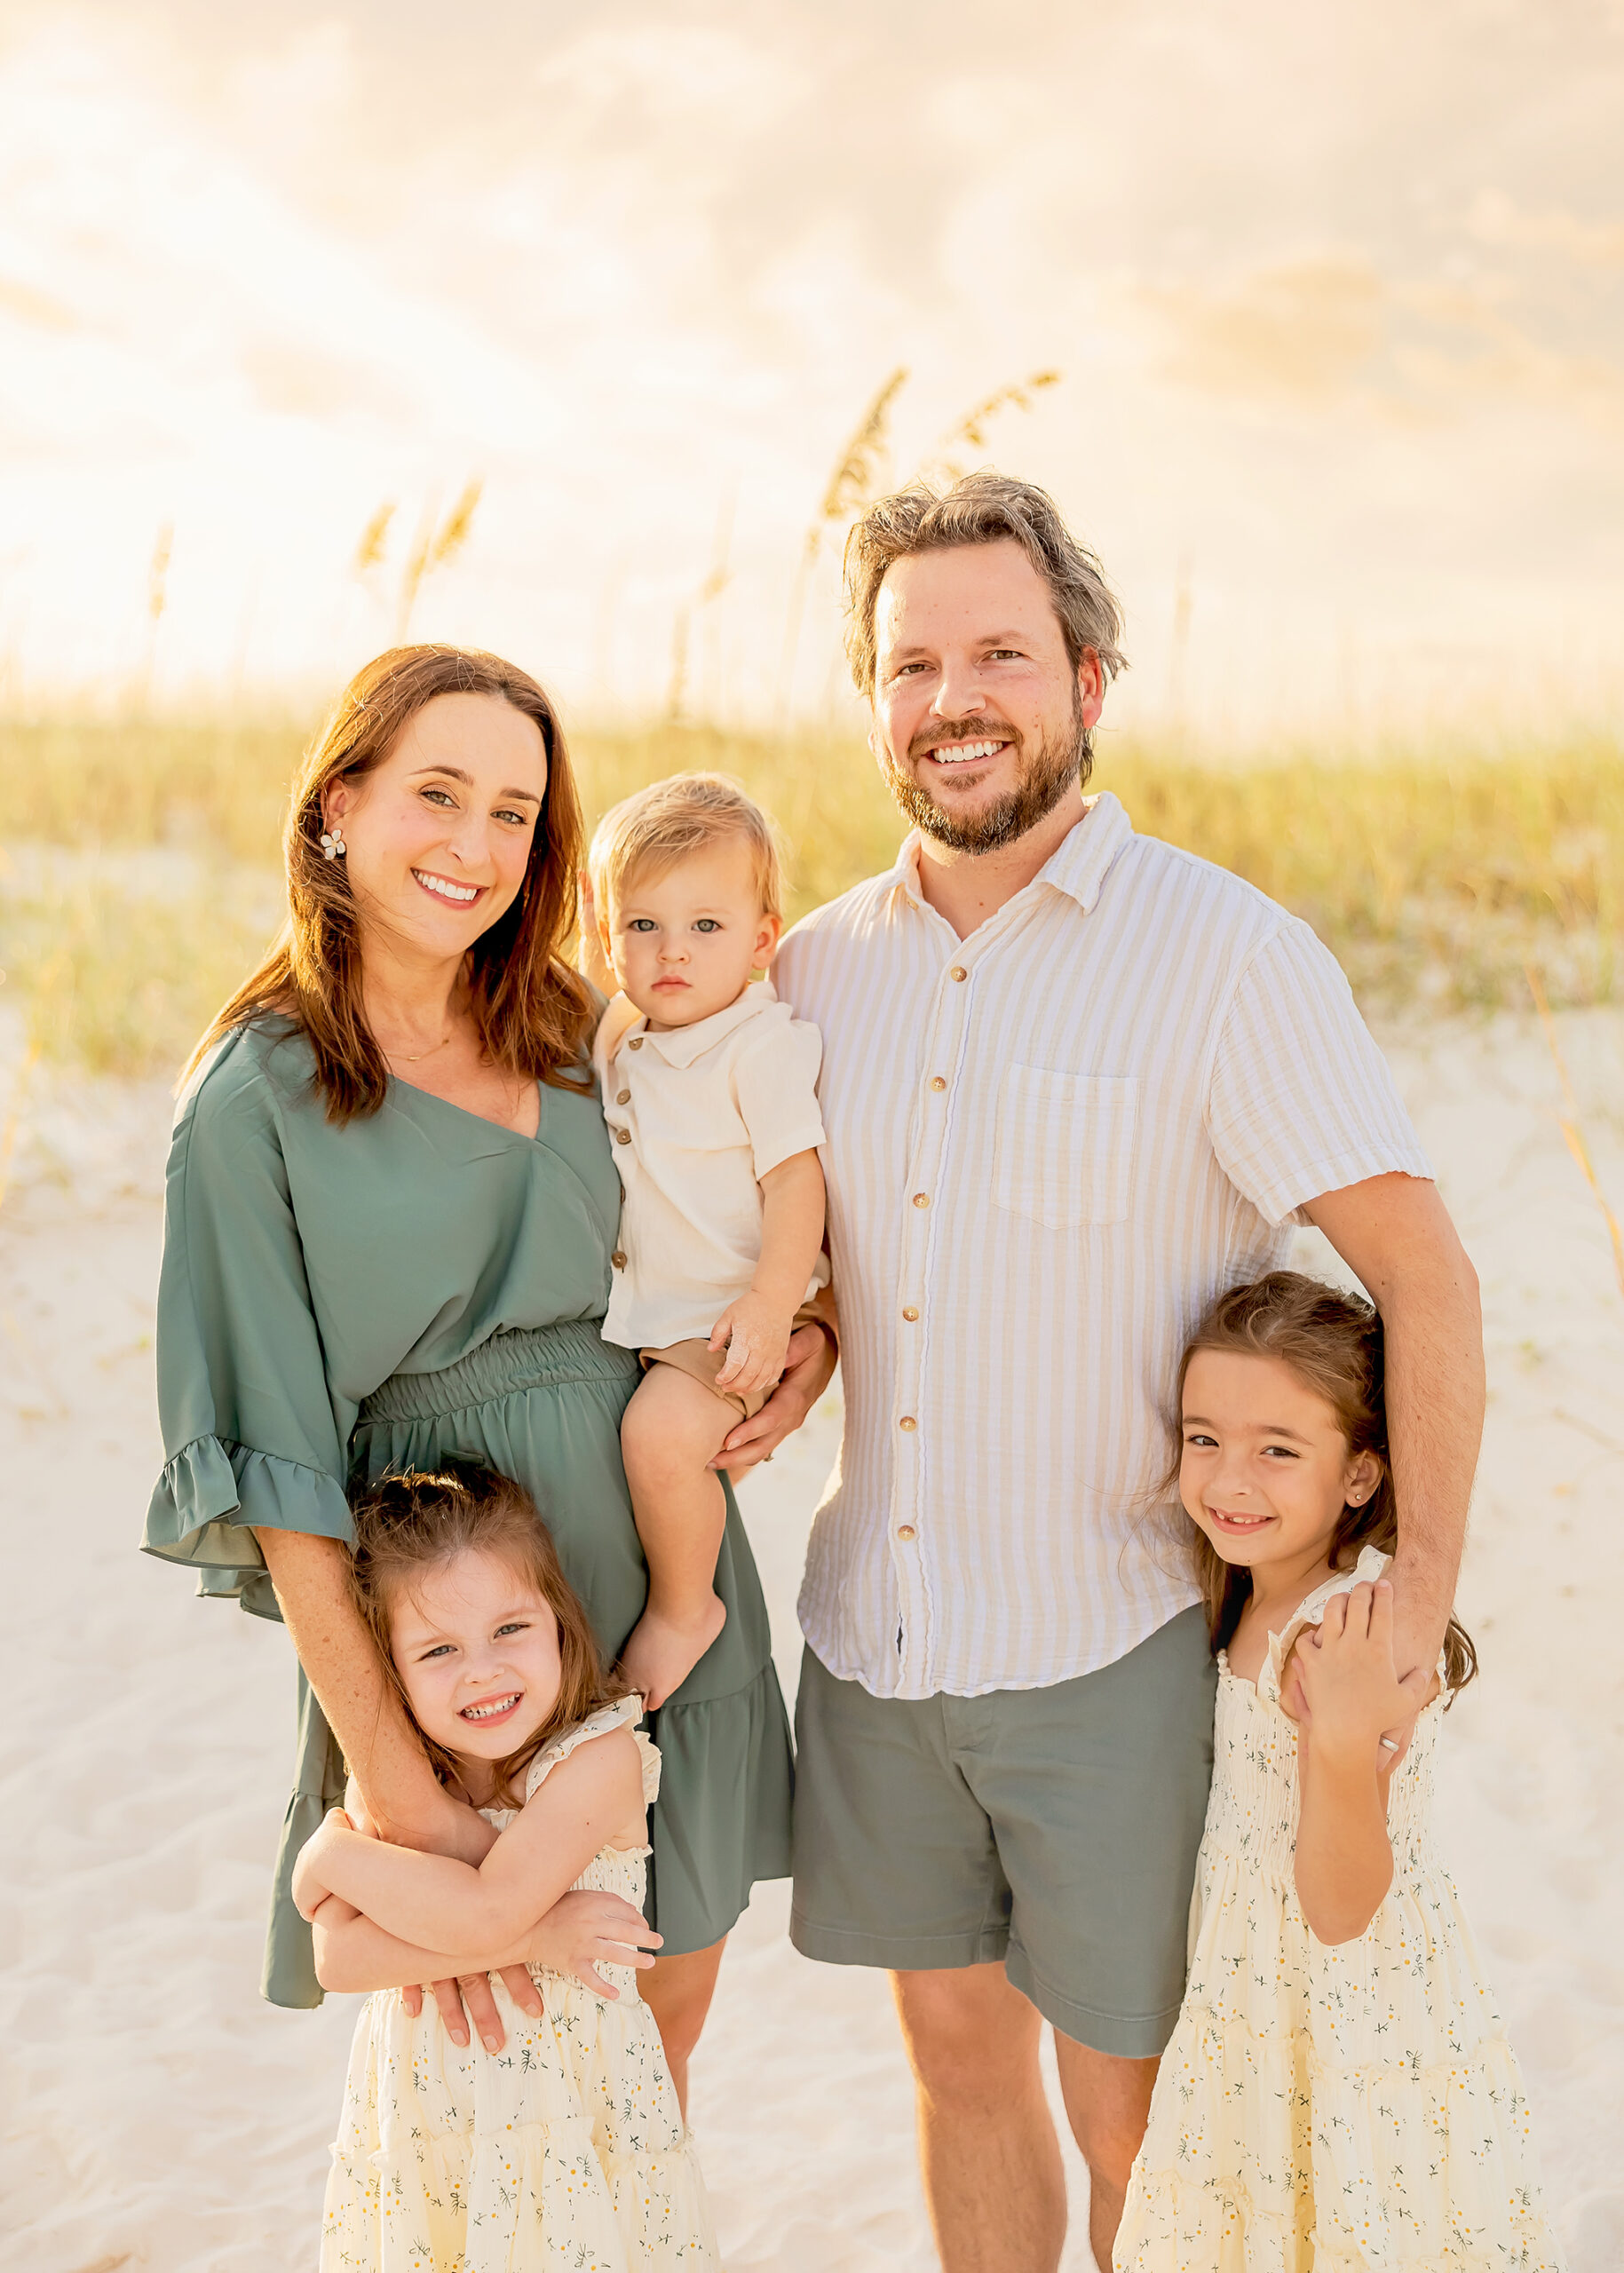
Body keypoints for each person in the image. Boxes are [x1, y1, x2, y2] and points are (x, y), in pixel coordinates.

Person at [772, 473, 1485, 2272]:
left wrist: (1413, 1596)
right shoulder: (810, 972)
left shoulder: (1224, 955)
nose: (952, 699)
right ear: (872, 699)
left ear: (1086, 679)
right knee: (954, 2066)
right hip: (873, 1641)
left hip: (1110, 1656)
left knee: (1137, 2117)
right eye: (909, 663)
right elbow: (848, 1262)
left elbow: (1420, 1272)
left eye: (999, 654)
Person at [144, 645, 828, 2102]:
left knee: (655, 2037)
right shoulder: (250, 1101)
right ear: (339, 804)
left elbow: (733, 1207)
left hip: (656, 1582)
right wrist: (393, 1780)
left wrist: (806, 1345)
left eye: (513, 813)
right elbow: (276, 1473)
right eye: (438, 794)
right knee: (497, 2071)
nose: (474, 844)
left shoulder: (585, 1024)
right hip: (455, 1625)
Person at [1115, 1272, 1565, 2271]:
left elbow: (1341, 1904)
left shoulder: (1338, 1633)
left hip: (1341, 2005)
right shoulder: (1252, 1596)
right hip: (1257, 1999)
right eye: (1203, 1438)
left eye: (1278, 1450)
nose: (1230, 1481)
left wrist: (1339, 1741)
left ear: (1360, 1475)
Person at [296, 1461, 717, 2272]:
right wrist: (538, 1941)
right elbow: (337, 1959)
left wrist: (334, 1856)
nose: (482, 1671)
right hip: (431, 2120)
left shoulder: (593, 1761)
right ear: (389, 1670)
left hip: (571, 2113)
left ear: (558, 1621)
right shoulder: (398, 1783)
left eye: (510, 1629)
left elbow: (487, 1908)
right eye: (438, 1649)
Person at [586, 774, 828, 1709]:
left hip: (727, 1318)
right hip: (659, 1313)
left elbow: (796, 1180)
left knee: (657, 1439)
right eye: (642, 925)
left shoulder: (757, 1046)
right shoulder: (629, 1037)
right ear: (607, 936)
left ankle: (686, 1608)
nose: (672, 951)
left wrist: (771, 1305)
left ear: (761, 942)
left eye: (705, 926)